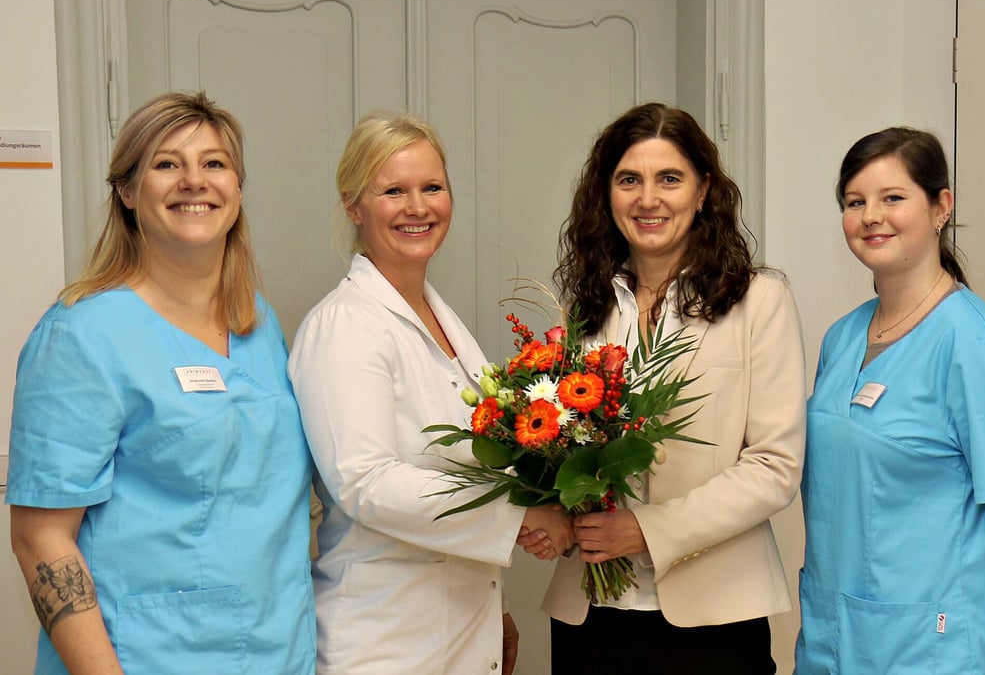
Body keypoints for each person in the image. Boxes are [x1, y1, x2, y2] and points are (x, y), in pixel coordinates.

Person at [5, 92, 315, 674]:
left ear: (239, 189)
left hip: (279, 648)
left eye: (215, 163)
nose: (194, 181)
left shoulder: (257, 321)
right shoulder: (81, 335)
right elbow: (40, 539)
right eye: (167, 163)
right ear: (126, 191)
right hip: (147, 656)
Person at [288, 112, 574, 675]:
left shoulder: (445, 323)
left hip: (461, 626)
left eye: (432, 188)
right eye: (393, 190)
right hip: (386, 639)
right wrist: (521, 517)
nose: (418, 207)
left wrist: (496, 606)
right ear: (353, 206)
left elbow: (472, 466)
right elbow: (364, 480)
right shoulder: (345, 325)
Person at [543, 102, 805, 673]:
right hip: (591, 612)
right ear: (605, 194)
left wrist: (646, 530)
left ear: (704, 190)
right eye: (628, 180)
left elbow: (774, 466)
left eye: (670, 179)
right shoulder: (582, 310)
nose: (648, 199)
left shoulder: (760, 301)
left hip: (714, 617)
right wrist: (553, 514)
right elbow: (562, 452)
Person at [796, 127, 985, 673]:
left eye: (892, 197)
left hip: (936, 640)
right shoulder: (842, 337)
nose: (871, 215)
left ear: (940, 206)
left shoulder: (979, 345)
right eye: (855, 202)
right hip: (832, 628)